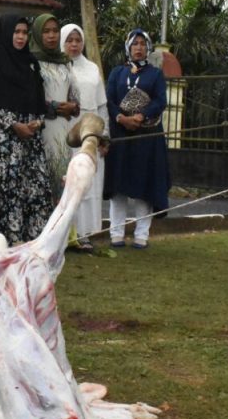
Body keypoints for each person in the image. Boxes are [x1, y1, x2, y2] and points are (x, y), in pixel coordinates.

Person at [0, 14, 53, 245]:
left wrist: (36, 123)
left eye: (24, 32)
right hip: (5, 141)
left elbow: (39, 99)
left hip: (31, 138)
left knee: (35, 190)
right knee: (7, 190)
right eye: (16, 32)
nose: (20, 37)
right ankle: (4, 243)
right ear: (6, 33)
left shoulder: (30, 63)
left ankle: (32, 242)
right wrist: (14, 125)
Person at [104, 28, 171, 249]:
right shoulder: (116, 73)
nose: (139, 48)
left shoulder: (155, 74)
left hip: (147, 137)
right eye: (135, 44)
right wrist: (121, 118)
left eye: (143, 44)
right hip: (121, 135)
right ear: (128, 47)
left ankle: (142, 234)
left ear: (148, 47)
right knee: (119, 186)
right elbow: (109, 99)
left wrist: (142, 115)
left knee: (144, 185)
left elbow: (161, 100)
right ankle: (116, 233)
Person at [61, 23, 109, 252]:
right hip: (65, 129)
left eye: (77, 40)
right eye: (69, 40)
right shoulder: (56, 67)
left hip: (90, 132)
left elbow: (102, 106)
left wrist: (104, 137)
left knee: (88, 183)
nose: (73, 44)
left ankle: (84, 234)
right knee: (67, 181)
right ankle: (63, 234)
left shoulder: (92, 68)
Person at [29, 13, 80, 203]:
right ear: (37, 34)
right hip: (41, 130)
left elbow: (76, 97)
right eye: (46, 31)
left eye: (55, 31)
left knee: (62, 185)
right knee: (41, 187)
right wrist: (57, 107)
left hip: (63, 133)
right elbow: (29, 98)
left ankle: (63, 232)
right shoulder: (31, 62)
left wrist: (73, 106)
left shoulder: (65, 62)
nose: (52, 36)